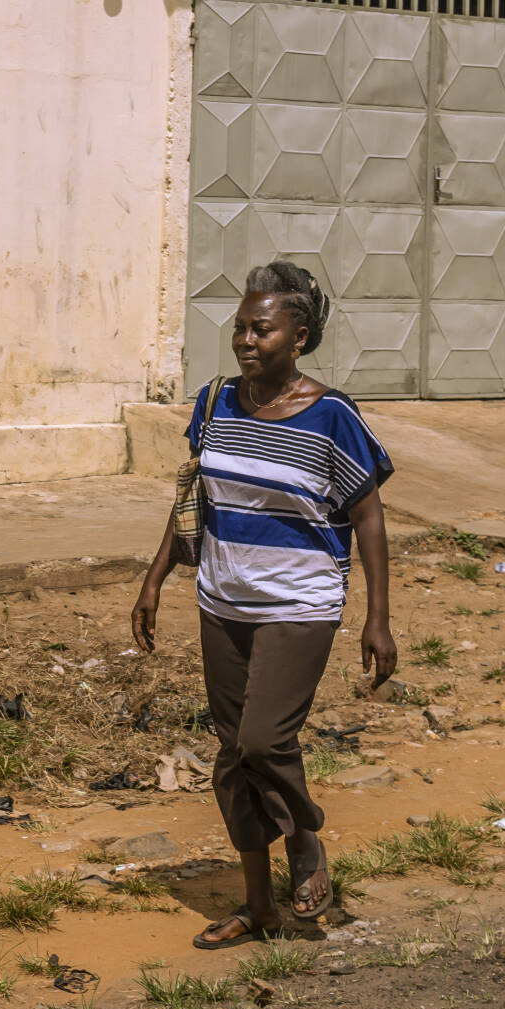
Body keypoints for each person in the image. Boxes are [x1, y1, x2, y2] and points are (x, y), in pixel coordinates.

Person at [129, 261, 397, 948]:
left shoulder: (332, 415)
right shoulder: (216, 400)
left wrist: (377, 617)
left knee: (263, 741)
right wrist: (156, 577)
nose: (246, 340)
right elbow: (193, 498)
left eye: (263, 330)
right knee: (232, 755)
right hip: (223, 599)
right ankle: (259, 905)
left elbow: (368, 515)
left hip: (300, 601)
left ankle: (305, 836)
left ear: (299, 337)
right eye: (241, 327)